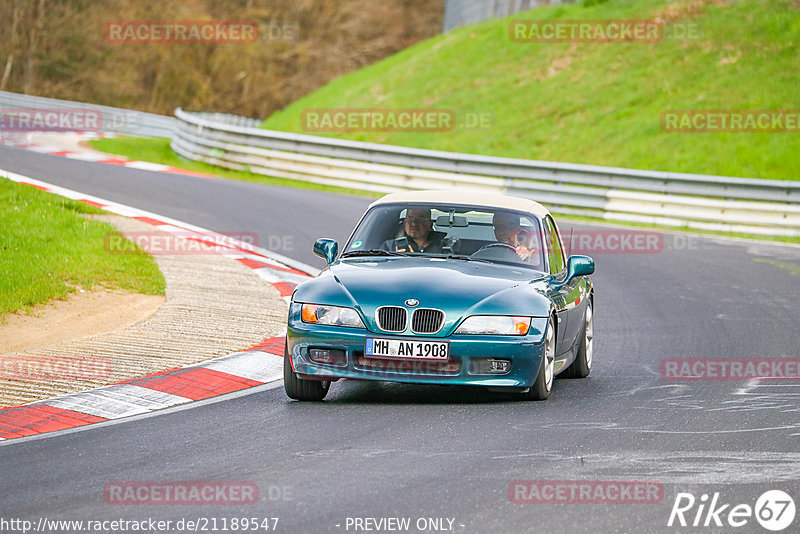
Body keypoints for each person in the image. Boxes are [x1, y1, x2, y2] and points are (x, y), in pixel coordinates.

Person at [381, 208, 445, 253]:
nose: (414, 223)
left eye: (420, 219)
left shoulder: (444, 247)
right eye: (410, 219)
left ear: (430, 224)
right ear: (404, 222)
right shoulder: (389, 247)